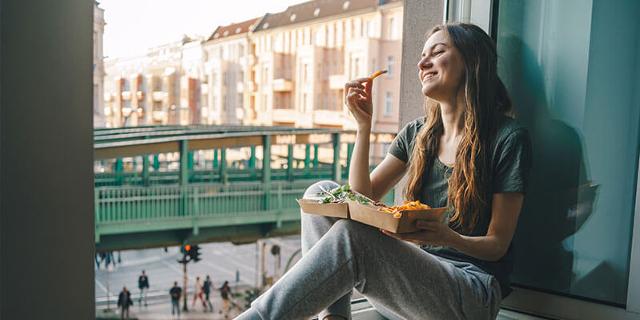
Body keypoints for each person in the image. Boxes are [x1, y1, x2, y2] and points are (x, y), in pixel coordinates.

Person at [236, 22, 532, 320]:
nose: (422, 63)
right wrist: (363, 127)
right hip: (408, 287)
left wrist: (446, 237)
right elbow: (358, 202)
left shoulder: (507, 138)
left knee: (353, 235)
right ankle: (334, 317)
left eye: (438, 52)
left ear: (472, 60)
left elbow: (497, 245)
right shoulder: (418, 133)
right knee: (320, 195)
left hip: (470, 292)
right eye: (422, 55)